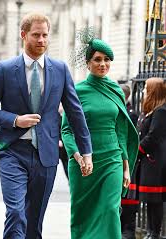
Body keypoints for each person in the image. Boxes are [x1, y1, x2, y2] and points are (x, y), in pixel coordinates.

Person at [0, 13, 93, 239]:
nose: (41, 40)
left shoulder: (60, 69)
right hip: (12, 151)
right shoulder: (5, 69)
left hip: (46, 155)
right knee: (16, 212)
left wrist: (86, 151)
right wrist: (14, 120)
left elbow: (75, 112)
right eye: (36, 35)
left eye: (45, 35)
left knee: (35, 220)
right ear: (24, 35)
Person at [61, 38, 139, 239]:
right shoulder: (76, 91)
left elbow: (121, 131)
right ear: (88, 63)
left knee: (110, 210)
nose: (102, 64)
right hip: (83, 162)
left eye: (106, 59)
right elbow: (67, 130)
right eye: (97, 59)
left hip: (112, 159)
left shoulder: (115, 90)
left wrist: (126, 166)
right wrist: (78, 157)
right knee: (83, 214)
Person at [132, 77, 166, 239]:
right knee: (149, 199)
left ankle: (155, 232)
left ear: (154, 90)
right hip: (147, 160)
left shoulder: (161, 111)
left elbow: (153, 136)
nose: (144, 90)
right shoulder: (151, 111)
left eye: (146, 87)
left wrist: (137, 150)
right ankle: (150, 231)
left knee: (156, 198)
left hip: (155, 161)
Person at [120, 84, 139, 239]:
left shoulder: (131, 113)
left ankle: (128, 230)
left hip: (128, 158)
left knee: (128, 195)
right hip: (119, 157)